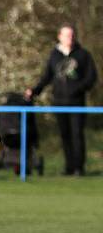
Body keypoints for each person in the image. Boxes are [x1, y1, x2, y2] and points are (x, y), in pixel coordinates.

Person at [25, 24, 98, 176]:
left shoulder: (83, 54)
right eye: (66, 35)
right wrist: (34, 91)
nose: (69, 38)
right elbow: (47, 77)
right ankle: (69, 167)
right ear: (60, 37)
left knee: (77, 134)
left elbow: (91, 77)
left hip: (77, 103)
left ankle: (79, 168)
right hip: (59, 102)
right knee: (65, 135)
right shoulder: (54, 55)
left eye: (71, 35)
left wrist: (77, 89)